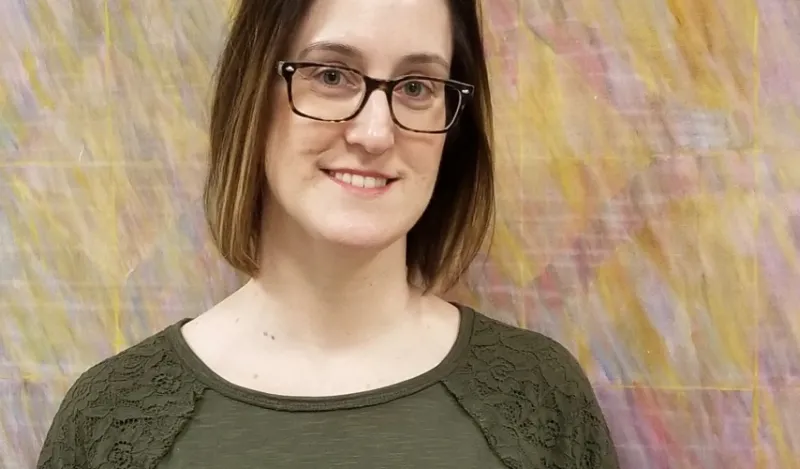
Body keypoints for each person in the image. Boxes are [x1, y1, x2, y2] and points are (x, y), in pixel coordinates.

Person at [36, 0, 620, 467]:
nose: (374, 132)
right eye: (332, 75)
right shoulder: (112, 418)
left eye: (417, 87)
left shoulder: (542, 398)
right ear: (252, 96)